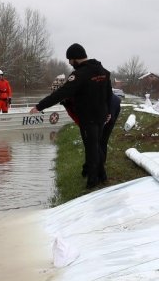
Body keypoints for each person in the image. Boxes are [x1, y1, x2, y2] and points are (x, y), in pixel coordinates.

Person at [30, 43, 112, 188]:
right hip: (101, 116)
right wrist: (109, 112)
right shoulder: (103, 71)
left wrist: (39, 106)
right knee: (96, 146)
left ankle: (92, 182)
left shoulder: (79, 74)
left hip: (88, 118)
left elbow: (61, 93)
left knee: (91, 149)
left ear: (75, 58)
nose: (69, 63)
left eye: (70, 60)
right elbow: (109, 95)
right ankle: (102, 176)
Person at [99, 90, 122, 182]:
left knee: (102, 139)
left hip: (113, 105)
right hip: (106, 104)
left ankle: (101, 164)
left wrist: (108, 114)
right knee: (98, 140)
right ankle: (98, 163)